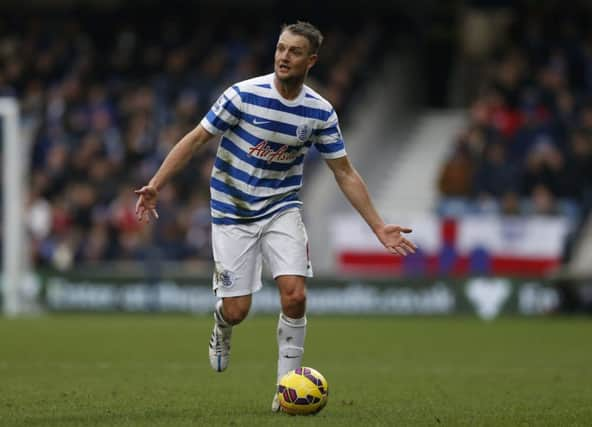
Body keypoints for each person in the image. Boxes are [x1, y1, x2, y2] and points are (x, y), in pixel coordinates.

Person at [135, 21, 416, 412]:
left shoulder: (319, 112)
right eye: (281, 48)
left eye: (295, 51)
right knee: (238, 310)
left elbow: (344, 172)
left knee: (295, 294)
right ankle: (221, 323)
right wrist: (156, 184)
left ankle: (287, 390)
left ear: (311, 60)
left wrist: (378, 225)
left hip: (282, 208)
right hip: (232, 210)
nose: (284, 56)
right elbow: (196, 138)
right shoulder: (243, 96)